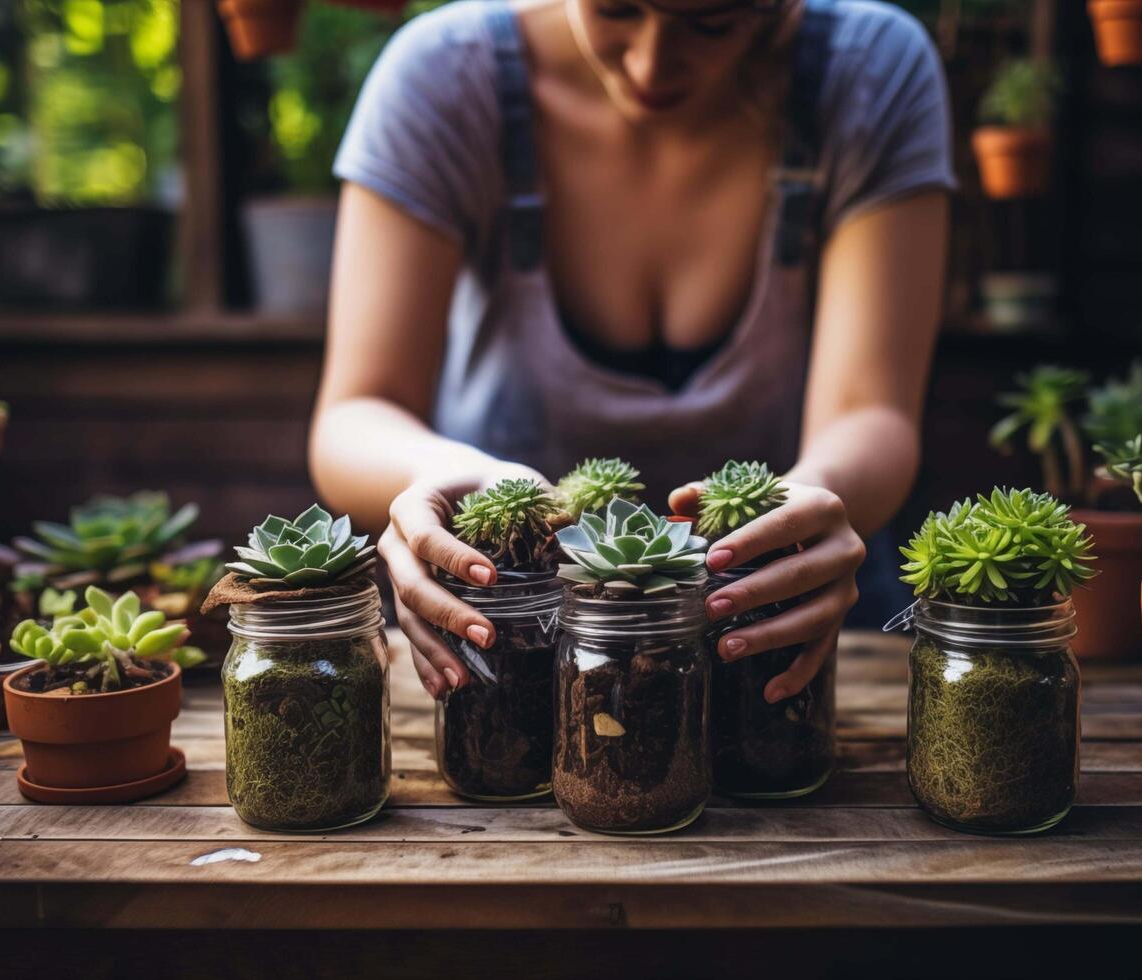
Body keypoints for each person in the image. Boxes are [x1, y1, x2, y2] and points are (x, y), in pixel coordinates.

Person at [310, 0, 952, 702]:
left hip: (777, 627)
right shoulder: (443, 76)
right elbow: (357, 410)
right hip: (513, 634)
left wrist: (810, 501)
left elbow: (873, 412)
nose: (651, 62)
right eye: (616, 9)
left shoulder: (867, 72)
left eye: (711, 21)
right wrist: (445, 475)